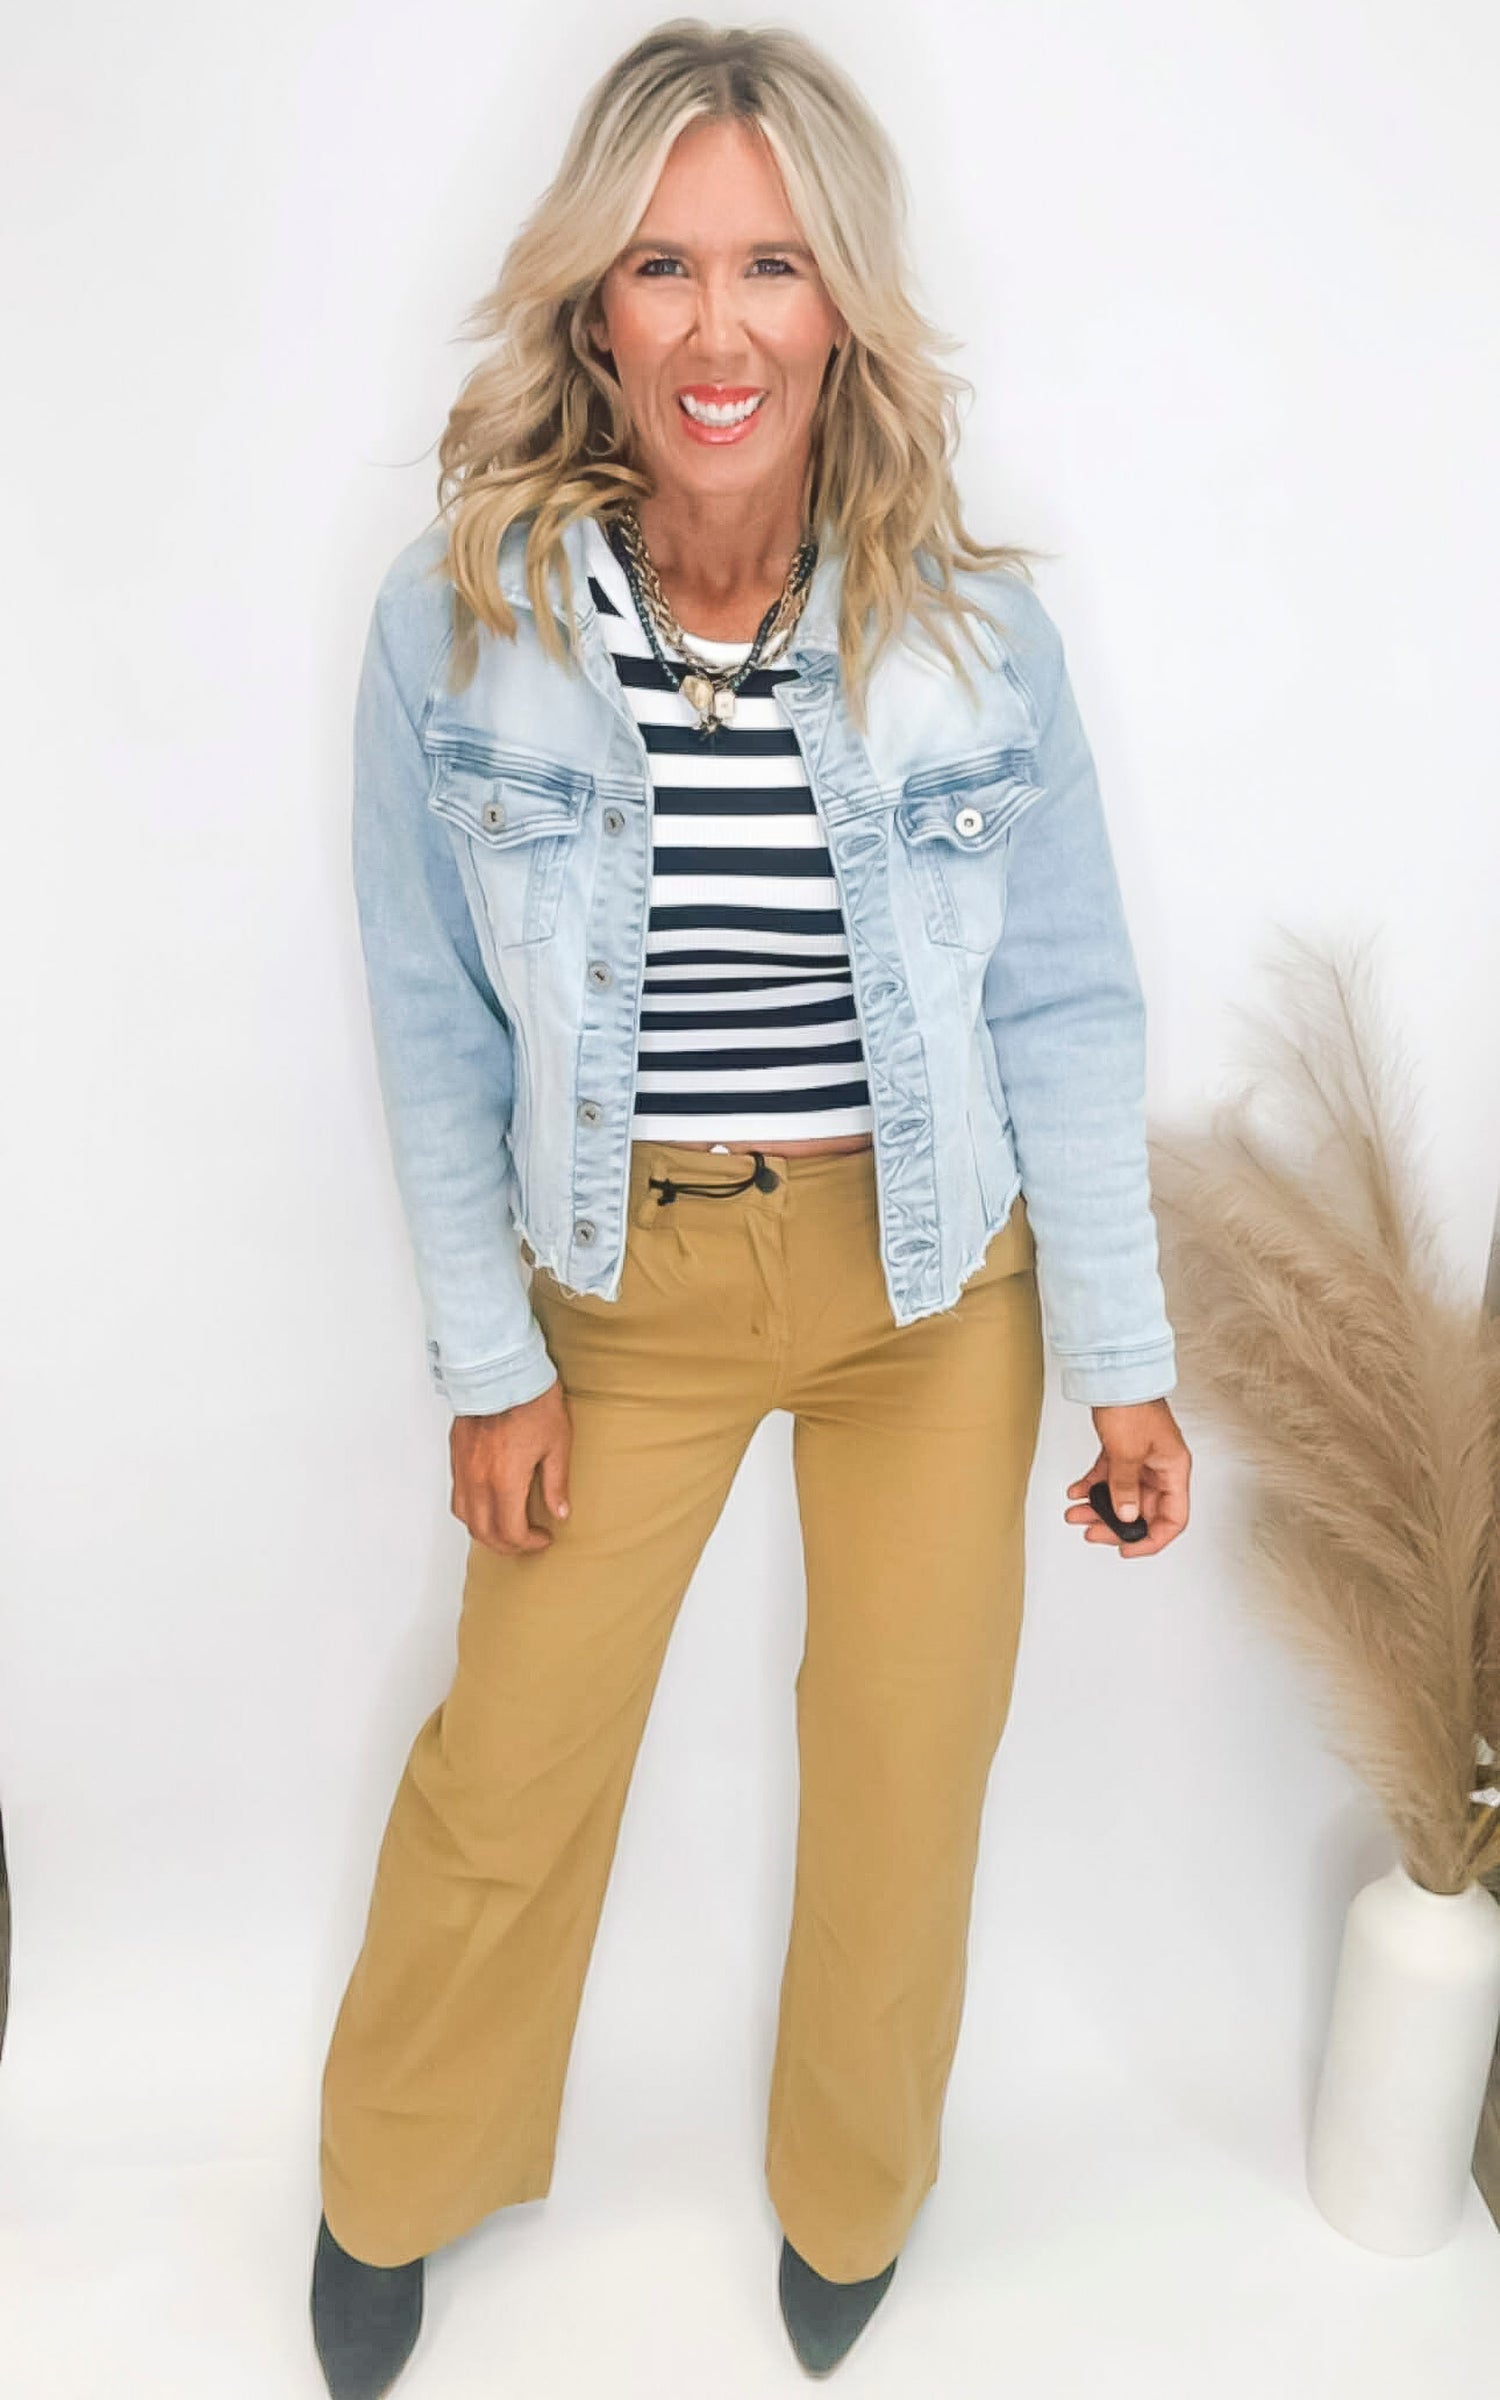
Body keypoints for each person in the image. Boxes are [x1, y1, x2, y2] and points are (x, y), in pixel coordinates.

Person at [310, 19, 1193, 2395]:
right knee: (511, 1766)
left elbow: (1075, 1002)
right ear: (596, 303)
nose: (720, 329)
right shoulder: (459, 619)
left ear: (844, 307)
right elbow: (431, 1025)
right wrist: (491, 1365)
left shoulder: (975, 635)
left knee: (906, 1777)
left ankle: (850, 2205)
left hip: (938, 1288)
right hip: (628, 1287)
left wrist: (1121, 1355)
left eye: (774, 266)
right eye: (668, 266)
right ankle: (391, 2182)